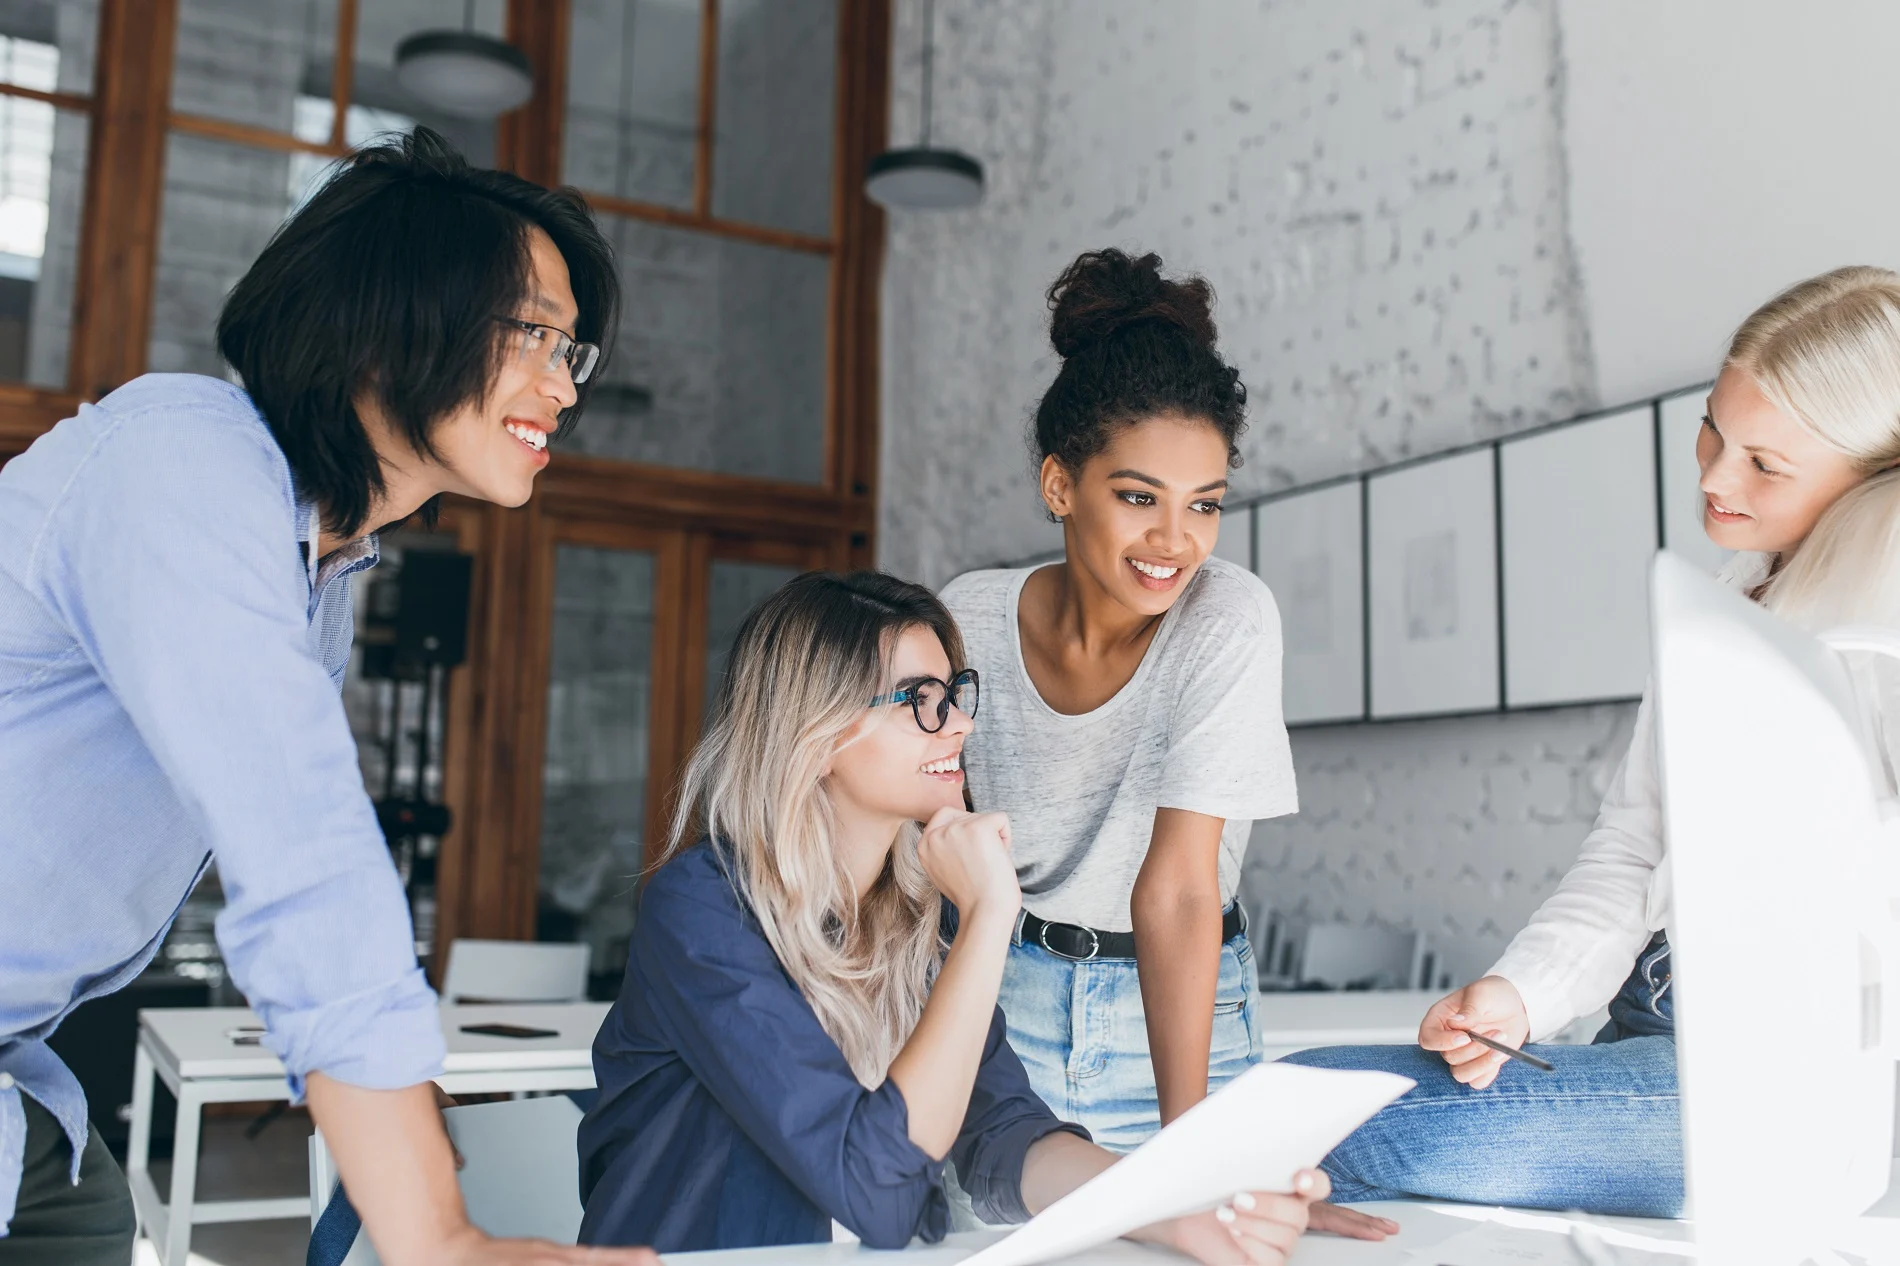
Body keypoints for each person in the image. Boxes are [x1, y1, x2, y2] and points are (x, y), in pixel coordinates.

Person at [0, 129, 655, 1265]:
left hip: (26, 1083)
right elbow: (297, 842)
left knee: (91, 1217)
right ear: (394, 319)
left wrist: (405, 1116)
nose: (563, 385)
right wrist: (434, 1233)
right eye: (536, 336)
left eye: (572, 351)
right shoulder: (184, 459)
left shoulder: (327, 571)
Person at [1285, 266, 1900, 1216]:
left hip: (1771, 1077)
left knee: (1319, 1121)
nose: (1712, 475)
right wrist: (1519, 995)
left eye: (1765, 465)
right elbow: (1630, 850)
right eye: (1712, 430)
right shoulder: (1728, 601)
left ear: (1872, 472)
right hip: (1645, 1024)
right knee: (1301, 1093)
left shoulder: (1878, 630)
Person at [576, 571, 1387, 1260]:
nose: (959, 723)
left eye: (955, 693)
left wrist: (1185, 1209)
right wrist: (996, 912)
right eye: (918, 701)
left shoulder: (910, 915)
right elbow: (878, 1190)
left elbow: (1004, 1138)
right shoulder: (706, 909)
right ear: (815, 733)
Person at [940, 249, 1303, 1151]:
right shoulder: (968, 618)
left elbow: (1179, 891)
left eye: (1206, 505)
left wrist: (1179, 1162)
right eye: (1139, 496)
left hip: (1184, 1018)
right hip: (1002, 999)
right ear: (1061, 485)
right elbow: (932, 853)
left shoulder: (1228, 619)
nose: (1175, 541)